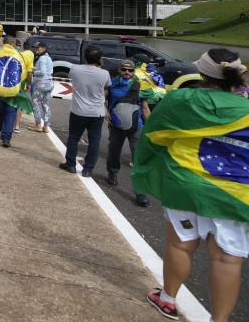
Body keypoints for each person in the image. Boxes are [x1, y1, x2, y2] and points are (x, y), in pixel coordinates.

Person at [133, 48, 249, 322]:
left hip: (185, 184)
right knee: (228, 259)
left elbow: (155, 134)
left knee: (180, 245)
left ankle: (168, 300)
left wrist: (147, 167)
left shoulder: (182, 99)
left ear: (202, 73)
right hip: (236, 193)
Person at [105, 59, 151, 207]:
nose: (127, 72)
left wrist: (149, 126)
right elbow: (102, 98)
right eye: (124, 69)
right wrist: (106, 112)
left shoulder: (140, 85)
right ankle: (112, 172)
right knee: (114, 151)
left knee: (138, 156)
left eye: (130, 70)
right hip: (117, 124)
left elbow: (144, 108)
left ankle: (140, 192)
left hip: (136, 126)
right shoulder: (112, 83)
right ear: (119, 70)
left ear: (133, 72)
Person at [59, 45, 110, 177]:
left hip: (78, 111)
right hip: (96, 112)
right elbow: (106, 87)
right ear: (100, 59)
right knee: (94, 141)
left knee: (73, 138)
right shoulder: (105, 73)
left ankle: (70, 164)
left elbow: (75, 76)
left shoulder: (75, 69)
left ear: (84, 57)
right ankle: (88, 169)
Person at [27, 41, 53, 133]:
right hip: (49, 83)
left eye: (38, 48)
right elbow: (49, 71)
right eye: (36, 47)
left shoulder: (42, 59)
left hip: (41, 83)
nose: (36, 49)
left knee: (35, 103)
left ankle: (38, 124)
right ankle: (46, 126)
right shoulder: (49, 58)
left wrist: (33, 71)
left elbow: (42, 72)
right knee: (45, 104)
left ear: (44, 49)